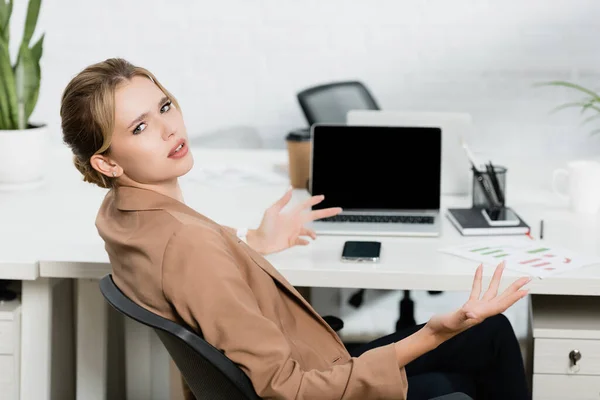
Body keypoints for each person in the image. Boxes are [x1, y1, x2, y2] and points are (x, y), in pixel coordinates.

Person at [61, 58, 531, 400]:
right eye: (140, 127)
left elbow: (190, 266)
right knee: (482, 338)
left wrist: (251, 243)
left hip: (310, 361)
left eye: (165, 107)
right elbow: (287, 389)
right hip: (314, 385)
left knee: (479, 341)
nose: (169, 129)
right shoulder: (189, 246)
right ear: (107, 160)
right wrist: (434, 330)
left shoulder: (120, 213)